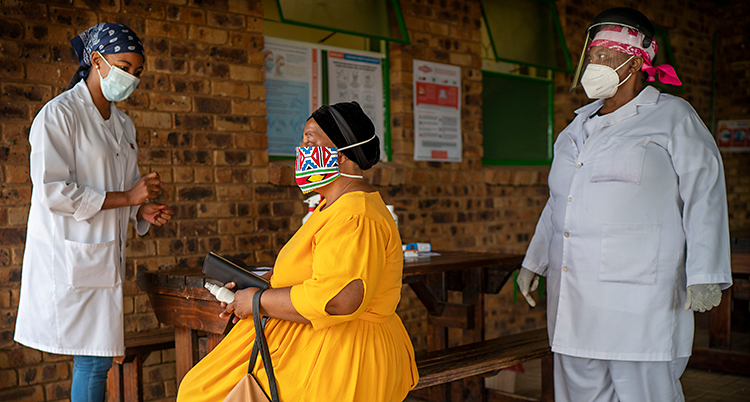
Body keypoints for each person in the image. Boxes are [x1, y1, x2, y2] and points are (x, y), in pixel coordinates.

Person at [516, 7, 732, 402]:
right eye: (592, 56)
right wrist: (534, 262)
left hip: (640, 300)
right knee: (579, 392)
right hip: (574, 300)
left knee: (645, 394)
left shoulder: (671, 116)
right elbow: (559, 202)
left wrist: (706, 271)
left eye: (604, 57)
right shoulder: (573, 129)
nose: (592, 65)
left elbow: (705, 192)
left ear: (635, 62)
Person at [176, 101, 419, 401]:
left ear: (341, 155)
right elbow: (314, 271)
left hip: (342, 355)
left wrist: (260, 300)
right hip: (318, 341)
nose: (301, 150)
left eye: (310, 141)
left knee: (202, 393)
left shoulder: (356, 216)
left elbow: (339, 299)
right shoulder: (331, 207)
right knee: (199, 389)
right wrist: (260, 284)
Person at [14, 23, 174, 402]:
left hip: (102, 256)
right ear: (97, 61)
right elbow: (53, 193)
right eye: (123, 66)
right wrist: (128, 197)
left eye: (137, 72)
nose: (130, 78)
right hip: (74, 254)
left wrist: (142, 210)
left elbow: (128, 188)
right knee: (94, 361)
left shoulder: (122, 123)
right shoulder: (59, 116)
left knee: (97, 359)